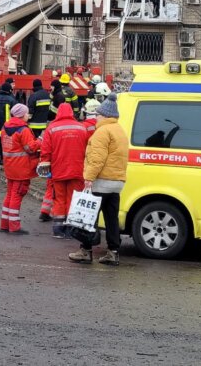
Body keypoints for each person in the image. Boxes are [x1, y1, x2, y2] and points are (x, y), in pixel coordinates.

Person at [69, 92, 129, 266]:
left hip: (101, 182)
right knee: (111, 219)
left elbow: (97, 158)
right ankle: (113, 252)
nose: (96, 118)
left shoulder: (102, 132)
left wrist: (88, 178)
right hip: (116, 183)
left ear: (104, 115)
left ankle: (85, 251)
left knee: (88, 217)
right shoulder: (120, 130)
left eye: (98, 115)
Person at [40, 103, 89, 238]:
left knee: (59, 199)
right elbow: (88, 150)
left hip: (58, 171)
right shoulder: (82, 128)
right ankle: (71, 229)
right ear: (71, 112)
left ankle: (58, 229)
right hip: (77, 170)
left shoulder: (52, 128)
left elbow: (45, 152)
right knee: (73, 199)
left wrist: (45, 169)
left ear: (58, 113)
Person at [0, 104, 40, 235]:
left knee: (10, 194)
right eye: (27, 114)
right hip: (21, 168)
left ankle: (5, 224)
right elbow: (30, 148)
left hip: (9, 166)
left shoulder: (5, 127)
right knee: (16, 196)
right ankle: (14, 226)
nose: (28, 116)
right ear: (22, 115)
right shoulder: (23, 130)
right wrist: (40, 141)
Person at [27, 79, 53, 223]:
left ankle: (36, 163)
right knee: (42, 145)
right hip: (43, 125)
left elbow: (30, 112)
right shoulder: (46, 95)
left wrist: (27, 122)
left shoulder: (34, 96)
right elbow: (49, 111)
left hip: (34, 126)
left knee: (34, 145)